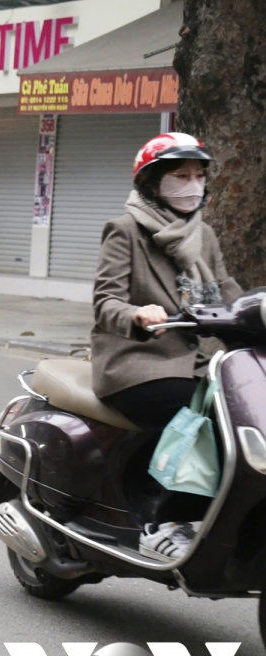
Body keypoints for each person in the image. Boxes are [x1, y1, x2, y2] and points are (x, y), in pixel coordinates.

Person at [91, 132, 242, 560]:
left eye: (198, 175)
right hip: (138, 361)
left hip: (197, 361)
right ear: (153, 182)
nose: (192, 184)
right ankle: (164, 522)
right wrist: (138, 315)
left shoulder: (203, 235)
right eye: (180, 175)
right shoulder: (125, 231)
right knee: (198, 417)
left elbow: (228, 290)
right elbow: (106, 302)